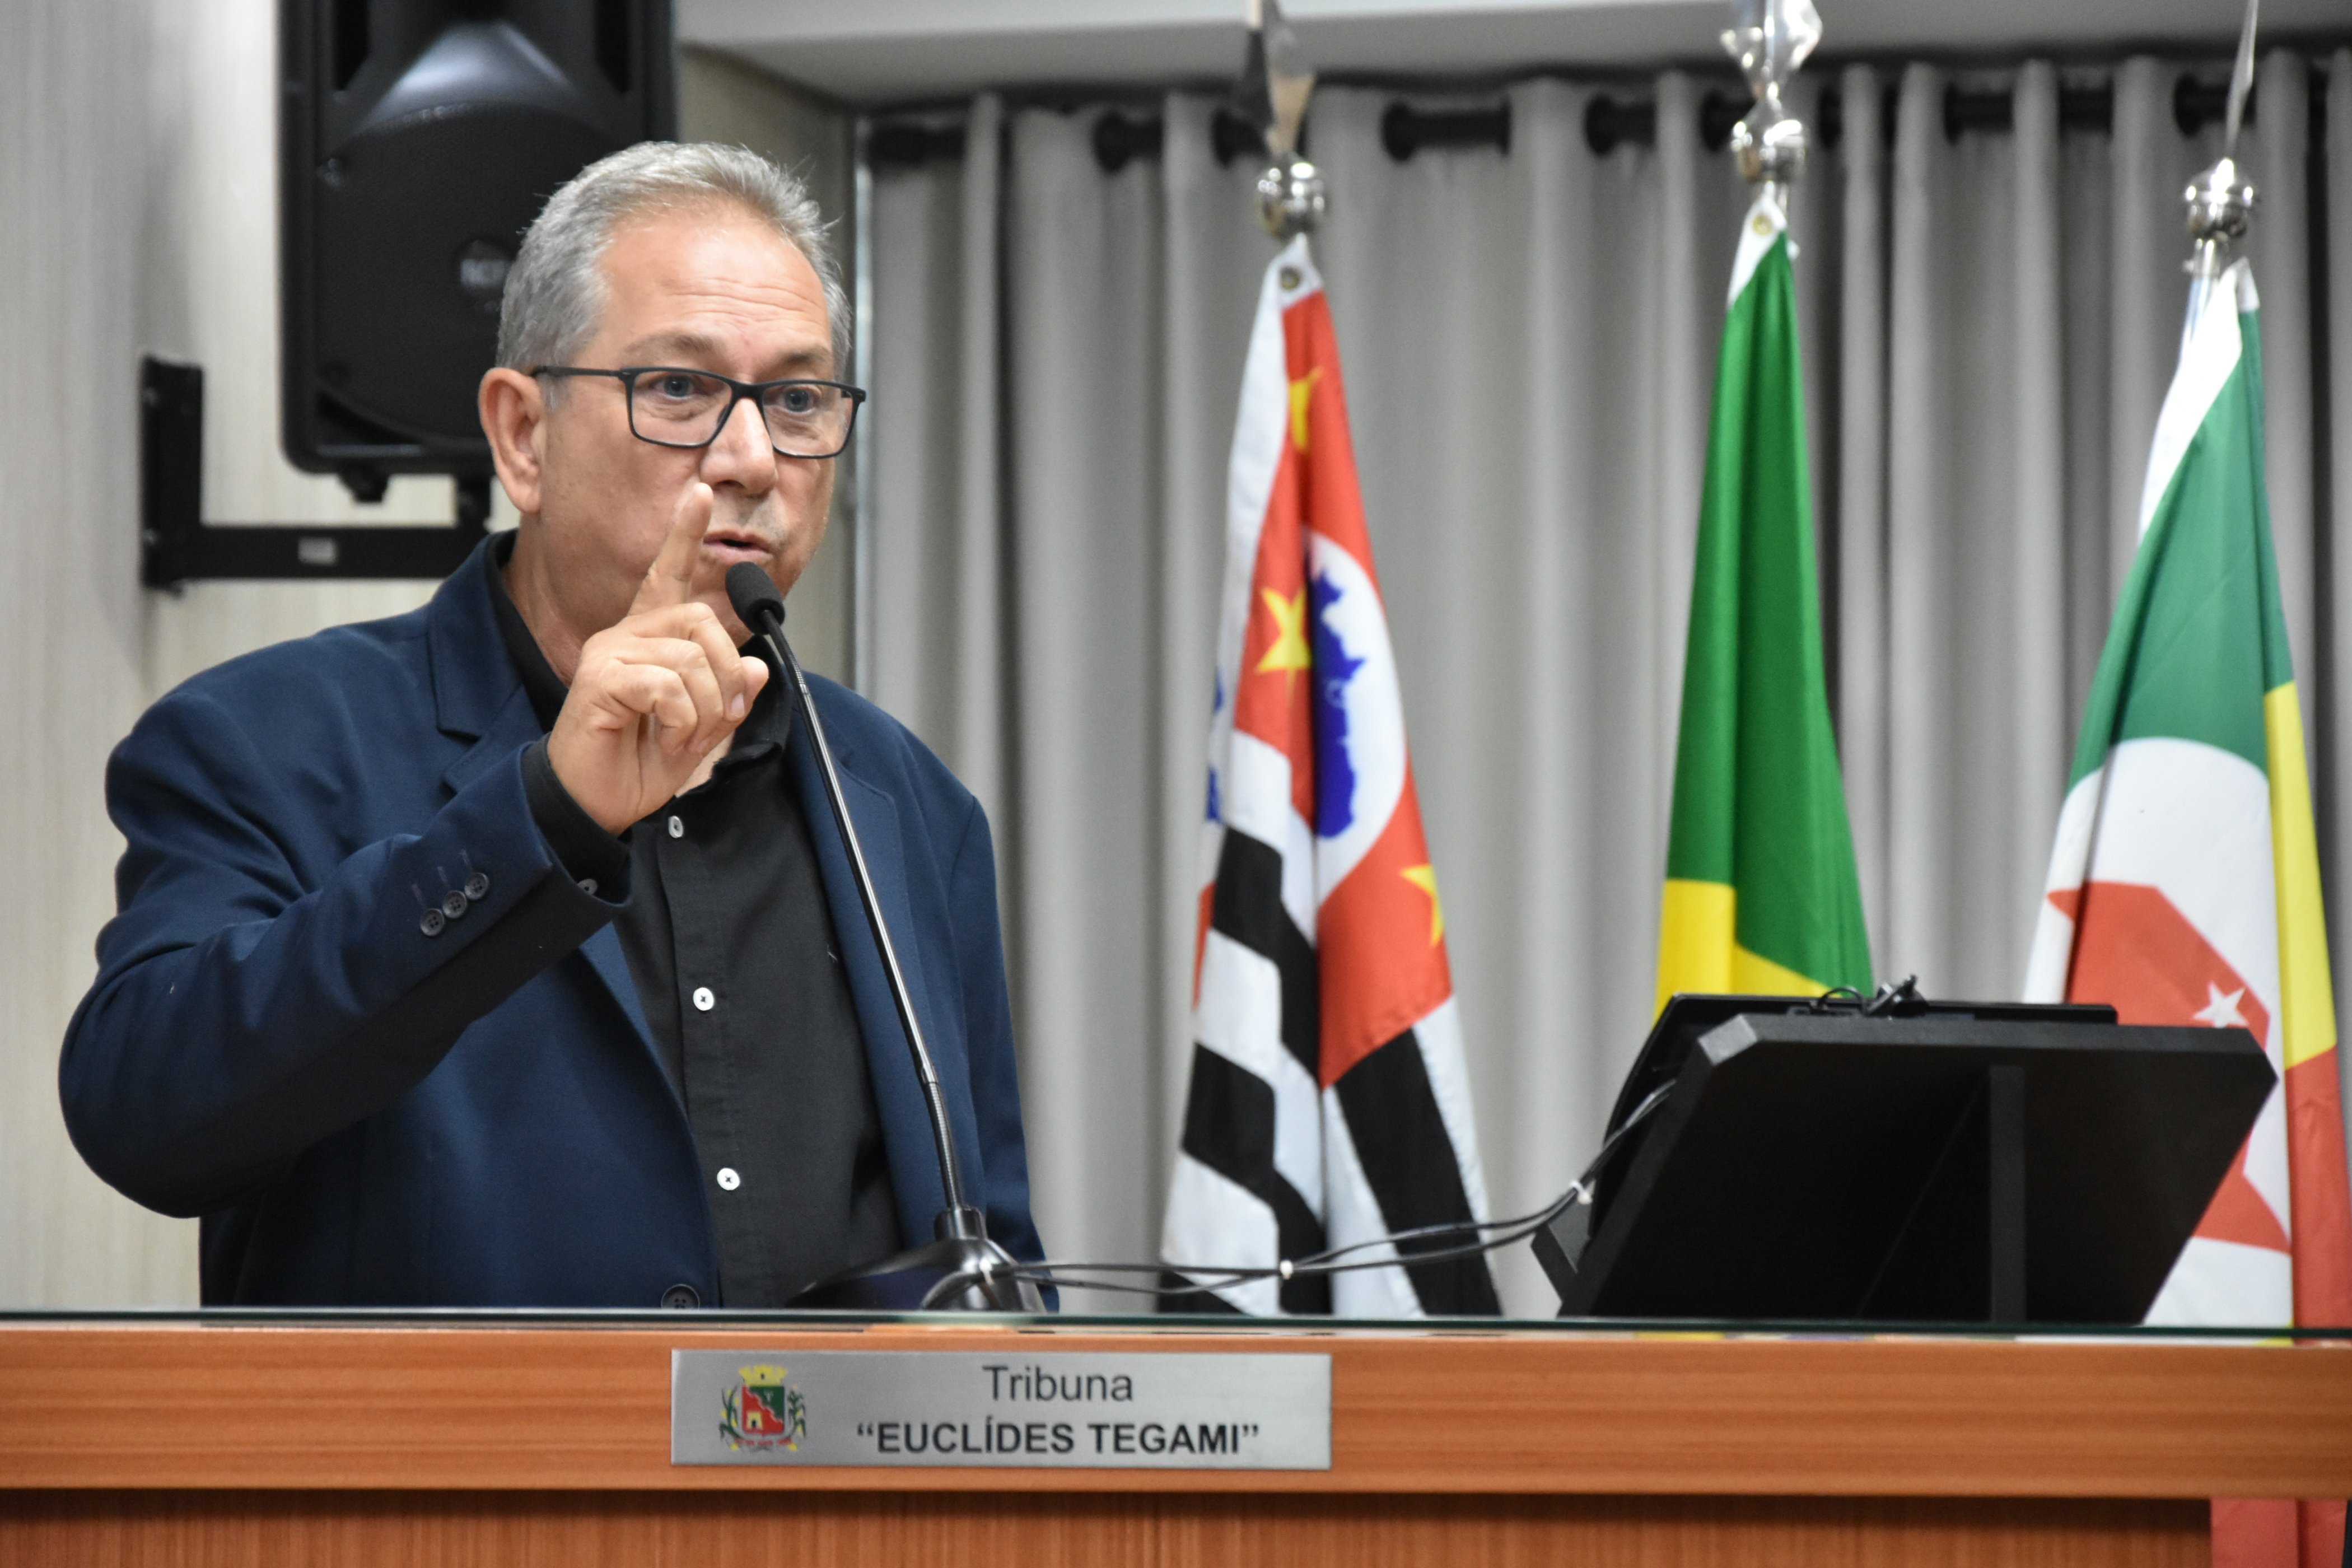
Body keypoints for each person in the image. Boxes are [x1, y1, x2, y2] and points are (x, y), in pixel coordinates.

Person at [59, 142, 1043, 1307]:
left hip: (823, 1441)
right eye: (679, 389)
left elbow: (990, 1266)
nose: (751, 458)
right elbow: (146, 1118)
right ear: (523, 436)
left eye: (797, 399)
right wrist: (545, 818)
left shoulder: (903, 801)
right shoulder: (263, 740)